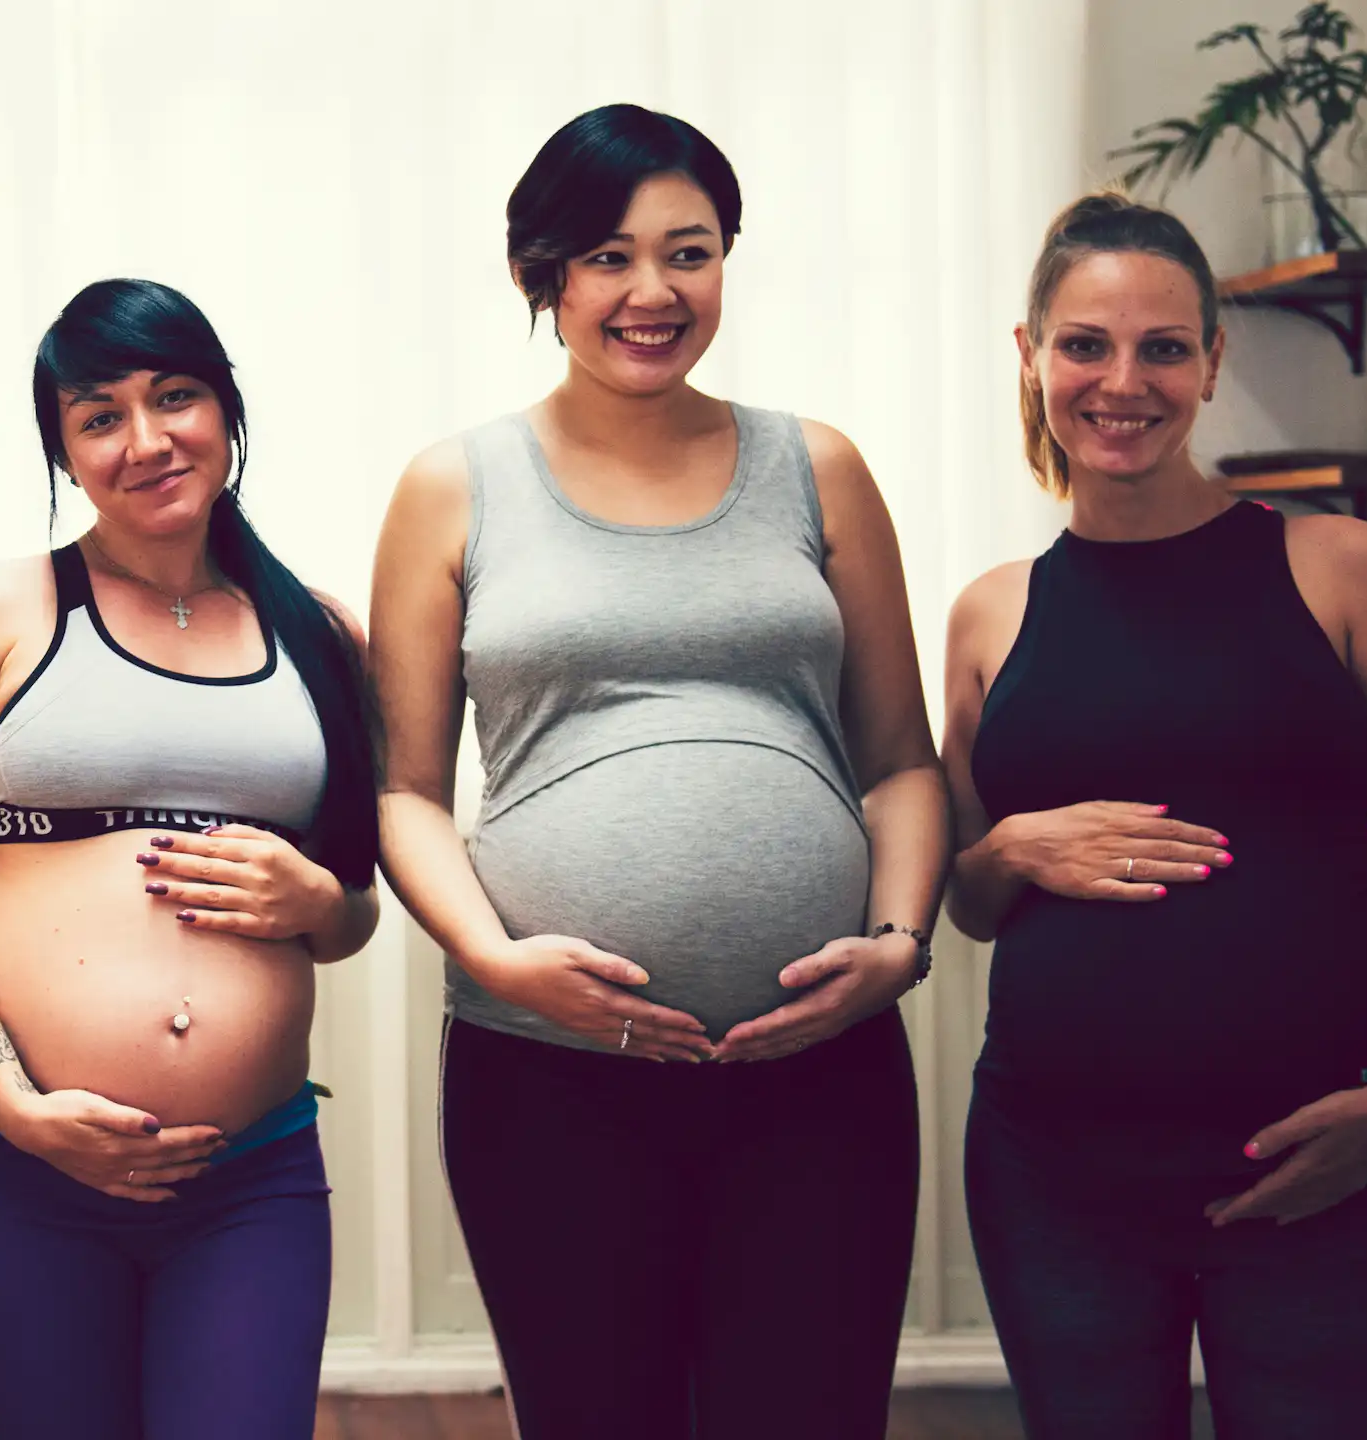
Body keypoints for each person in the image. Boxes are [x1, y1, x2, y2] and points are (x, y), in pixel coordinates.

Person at [367, 104, 951, 1437]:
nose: (652, 291)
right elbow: (405, 792)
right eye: (607, 255)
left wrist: (902, 944)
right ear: (541, 275)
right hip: (548, 1072)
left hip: (819, 1068)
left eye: (689, 253)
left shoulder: (821, 470)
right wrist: (494, 958)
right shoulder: (454, 488)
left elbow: (903, 761)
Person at [0, 277, 379, 1440]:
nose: (145, 441)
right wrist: (13, 1100)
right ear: (63, 448)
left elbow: (354, 912)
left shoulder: (322, 634)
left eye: (176, 397)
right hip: (19, 1175)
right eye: (100, 415)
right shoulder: (1, 609)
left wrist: (317, 900)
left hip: (249, 1182)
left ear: (227, 410)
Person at [941, 193, 1367, 1438]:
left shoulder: (1343, 569)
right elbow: (966, 897)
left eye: (1162, 347)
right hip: (1056, 1175)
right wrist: (1010, 845)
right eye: (1085, 344)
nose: (1122, 381)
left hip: (1320, 1161)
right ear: (1031, 355)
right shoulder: (990, 614)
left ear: (1212, 362)